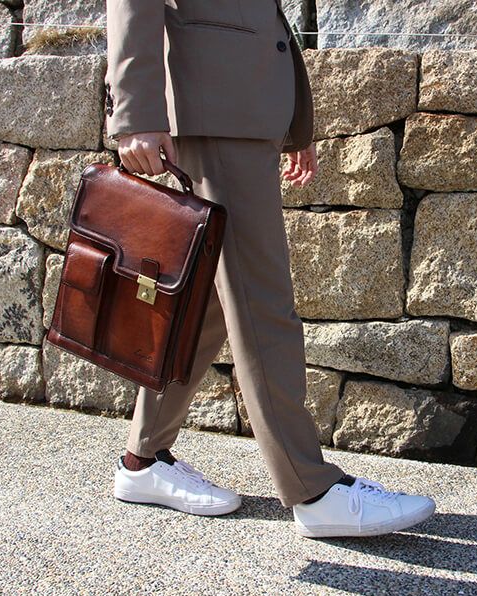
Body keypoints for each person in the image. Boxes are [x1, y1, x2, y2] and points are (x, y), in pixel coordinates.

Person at [104, 0, 436, 538]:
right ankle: (312, 491)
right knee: (261, 303)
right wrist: (137, 113)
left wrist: (292, 123)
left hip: (239, 107)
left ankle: (143, 460)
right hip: (212, 108)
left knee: (214, 302)